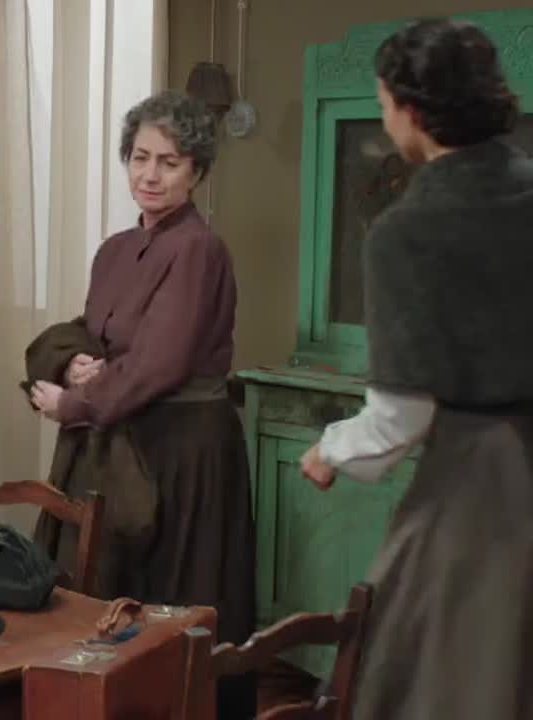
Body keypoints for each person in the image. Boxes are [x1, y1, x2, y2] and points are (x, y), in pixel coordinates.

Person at [300, 18, 532, 720]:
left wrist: (330, 448)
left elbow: (401, 418)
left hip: (486, 491)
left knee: (453, 681)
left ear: (412, 111)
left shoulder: (407, 230)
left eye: (383, 102)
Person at [27, 90, 256, 718]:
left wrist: (74, 404)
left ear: (196, 172)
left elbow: (162, 361)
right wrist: (72, 363)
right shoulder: (114, 250)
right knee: (113, 604)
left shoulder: (199, 248)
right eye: (140, 158)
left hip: (183, 451)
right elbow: (92, 331)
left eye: (170, 162)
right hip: (125, 439)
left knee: (175, 607)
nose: (150, 175)